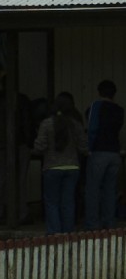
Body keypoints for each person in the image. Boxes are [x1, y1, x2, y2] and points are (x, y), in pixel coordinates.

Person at [32, 93, 87, 234]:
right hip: (73, 167)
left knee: (52, 203)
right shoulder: (75, 124)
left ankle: (54, 235)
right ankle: (68, 233)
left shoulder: (47, 123)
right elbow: (83, 147)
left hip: (52, 167)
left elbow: (39, 147)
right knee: (68, 203)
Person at [84, 80, 125, 230]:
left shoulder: (96, 106)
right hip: (114, 151)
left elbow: (92, 127)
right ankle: (110, 221)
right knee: (110, 189)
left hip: (98, 151)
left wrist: (89, 147)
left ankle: (92, 224)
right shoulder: (119, 110)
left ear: (99, 91)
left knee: (93, 189)